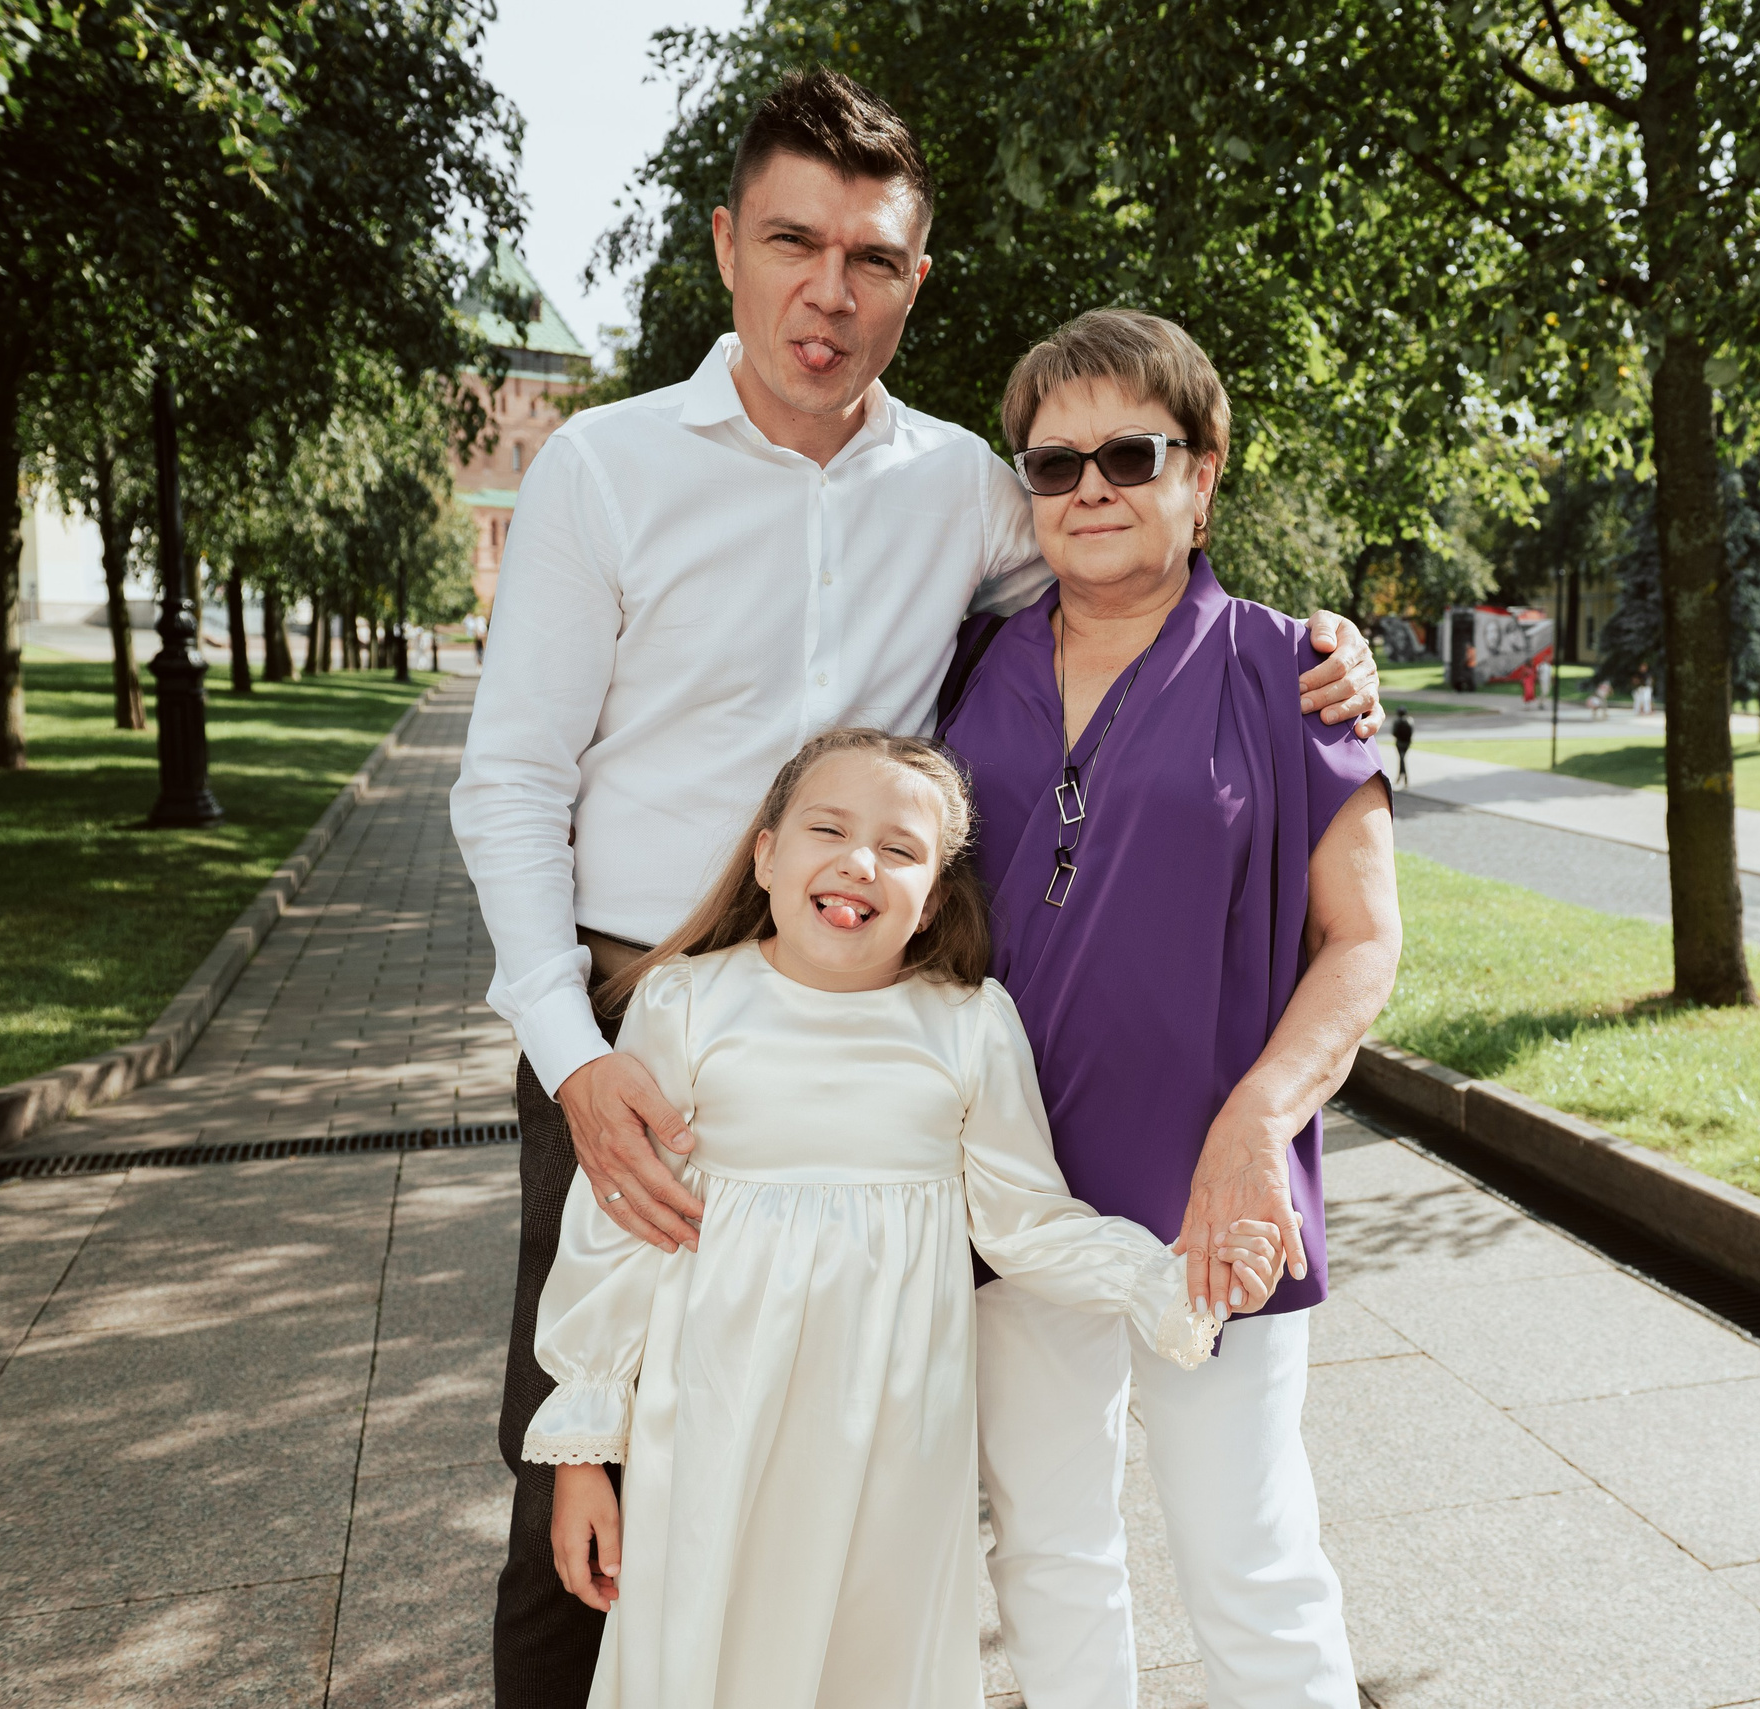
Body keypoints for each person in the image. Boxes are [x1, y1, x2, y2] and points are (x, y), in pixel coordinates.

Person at [448, 70, 1379, 1708]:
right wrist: (571, 1048)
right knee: (595, 1456)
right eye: (794, 241)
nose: (830, 287)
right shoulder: (600, 469)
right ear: (727, 245)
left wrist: (1335, 662)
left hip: (885, 1019)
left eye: (871, 257)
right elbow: (511, 777)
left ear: (914, 280)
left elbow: (1133, 586)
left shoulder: (965, 486)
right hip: (637, 1008)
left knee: (866, 1456)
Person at [529, 729, 1280, 1707]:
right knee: (707, 1645)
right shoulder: (686, 1003)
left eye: (899, 847)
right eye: (827, 828)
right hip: (712, 1421)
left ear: (931, 898)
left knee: (873, 1662)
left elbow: (1024, 1221)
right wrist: (585, 1451)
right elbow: (615, 1229)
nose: (857, 860)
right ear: (765, 853)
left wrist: (1165, 1275)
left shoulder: (966, 1023)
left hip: (896, 1437)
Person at [938, 310, 1400, 1709]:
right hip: (1014, 1197)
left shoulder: (1294, 675)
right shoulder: (964, 667)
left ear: (1203, 475)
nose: (1088, 489)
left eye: (1129, 455)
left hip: (1219, 1196)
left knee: (1247, 1552)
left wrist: (1259, 1121)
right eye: (1053, 462)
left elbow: (1363, 940)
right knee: (1051, 1553)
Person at [1390, 707, 1414, 788]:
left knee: (1401, 760)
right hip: (1406, 743)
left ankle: (1402, 778)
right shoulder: (1410, 721)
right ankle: (1403, 778)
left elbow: (1394, 732)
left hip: (1399, 743)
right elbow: (1411, 732)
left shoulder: (1397, 721)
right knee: (1402, 759)